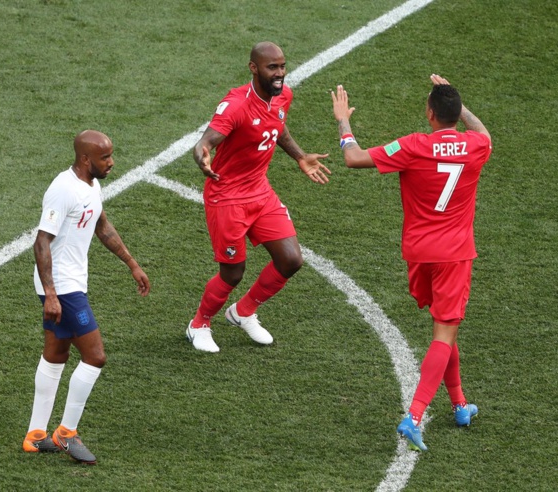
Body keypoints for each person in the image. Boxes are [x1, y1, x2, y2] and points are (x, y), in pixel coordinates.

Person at [331, 75, 492, 451]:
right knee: (444, 332)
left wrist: (343, 120)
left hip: (420, 253)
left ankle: (459, 404)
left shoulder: (414, 146)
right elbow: (483, 130)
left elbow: (353, 158)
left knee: (446, 329)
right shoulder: (476, 146)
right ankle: (414, 415)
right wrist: (458, 102)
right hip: (454, 255)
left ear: (430, 114)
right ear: (455, 114)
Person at [187, 41, 331, 353]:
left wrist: (299, 156)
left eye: (282, 66)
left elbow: (277, 127)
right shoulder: (236, 105)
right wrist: (203, 156)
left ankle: (243, 311)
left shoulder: (283, 96)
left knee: (291, 260)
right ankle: (199, 323)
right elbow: (206, 140)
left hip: (260, 191)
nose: (280, 73)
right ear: (253, 68)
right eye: (272, 68)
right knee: (233, 272)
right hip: (227, 197)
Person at [22, 130, 151, 464]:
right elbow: (41, 242)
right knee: (95, 356)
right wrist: (51, 294)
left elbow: (102, 226)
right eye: (105, 157)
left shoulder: (92, 186)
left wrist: (132, 264)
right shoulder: (63, 190)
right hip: (62, 287)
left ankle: (35, 436)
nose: (112, 162)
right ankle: (66, 433)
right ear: (85, 158)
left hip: (70, 283)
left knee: (55, 355)